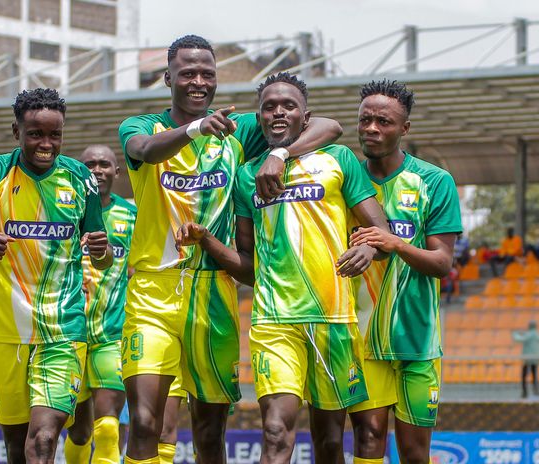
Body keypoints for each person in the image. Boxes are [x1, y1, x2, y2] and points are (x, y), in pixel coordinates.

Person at [117, 35, 343, 464]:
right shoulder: (143, 126)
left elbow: (328, 125)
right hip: (153, 291)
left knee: (208, 430)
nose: (198, 82)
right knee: (145, 421)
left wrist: (278, 152)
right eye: (187, 73)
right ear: (168, 78)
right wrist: (197, 128)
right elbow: (142, 153)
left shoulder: (239, 136)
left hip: (215, 291)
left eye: (207, 74)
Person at [177, 72, 390, 463]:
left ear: (305, 117)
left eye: (288, 105)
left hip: (333, 320)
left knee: (328, 443)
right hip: (273, 322)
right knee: (275, 434)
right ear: (259, 118)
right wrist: (207, 241)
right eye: (269, 106)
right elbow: (248, 267)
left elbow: (383, 234)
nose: (278, 111)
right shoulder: (246, 176)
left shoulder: (338, 159)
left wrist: (369, 250)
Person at [0, 88, 112, 464]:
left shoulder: (79, 177)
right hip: (6, 333)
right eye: (35, 134)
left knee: (44, 439)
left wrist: (102, 252)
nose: (46, 144)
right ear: (15, 130)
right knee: (18, 449)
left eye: (55, 135)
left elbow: (102, 258)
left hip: (63, 330)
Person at [346, 80, 462, 464]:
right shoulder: (344, 179)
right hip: (363, 338)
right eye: (365, 120)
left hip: (417, 339)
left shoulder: (434, 182)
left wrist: (395, 243)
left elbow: (442, 263)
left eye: (384, 121)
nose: (372, 129)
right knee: (368, 438)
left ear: (404, 129)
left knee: (414, 453)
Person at [64, 145, 136, 464]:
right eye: (89, 164)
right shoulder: (63, 212)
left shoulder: (132, 216)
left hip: (112, 333)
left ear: (116, 172)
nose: (97, 169)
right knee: (79, 432)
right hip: (70, 334)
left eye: (105, 164)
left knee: (108, 427)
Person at [512, 321, 539, 399]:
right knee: (534, 375)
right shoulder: (537, 335)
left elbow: (519, 339)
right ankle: (536, 391)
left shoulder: (530, 334)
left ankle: (525, 393)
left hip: (528, 359)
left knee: (524, 375)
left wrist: (515, 333)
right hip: (535, 359)